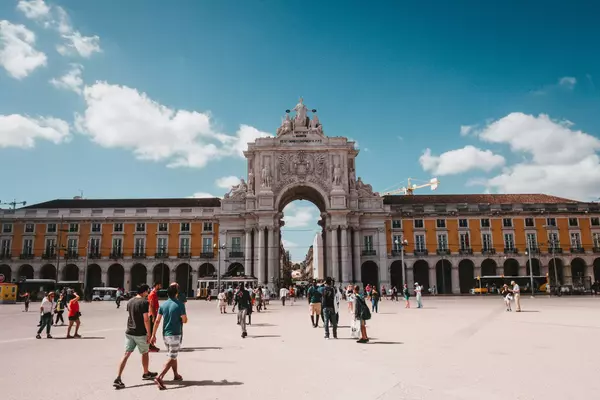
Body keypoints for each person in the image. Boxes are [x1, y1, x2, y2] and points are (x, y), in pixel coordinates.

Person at [113, 284, 158, 389]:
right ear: (144, 292)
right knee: (145, 352)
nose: (148, 293)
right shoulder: (144, 302)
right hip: (140, 333)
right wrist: (149, 334)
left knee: (126, 354)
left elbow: (131, 315)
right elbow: (146, 319)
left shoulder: (130, 301)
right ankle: (146, 373)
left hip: (129, 332)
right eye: (147, 291)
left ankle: (118, 377)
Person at [151, 283, 188, 390]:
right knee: (172, 356)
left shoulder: (163, 305)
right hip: (175, 334)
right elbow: (185, 320)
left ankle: (176, 374)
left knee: (172, 355)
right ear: (176, 293)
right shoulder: (180, 304)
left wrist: (153, 335)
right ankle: (159, 377)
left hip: (165, 335)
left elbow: (157, 321)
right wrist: (182, 319)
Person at [147, 282, 161, 352]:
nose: (160, 286)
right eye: (159, 285)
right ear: (156, 286)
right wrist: (153, 316)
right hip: (152, 314)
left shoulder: (154, 293)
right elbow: (151, 305)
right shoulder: (152, 294)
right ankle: (150, 346)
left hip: (153, 313)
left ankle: (151, 345)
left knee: (152, 331)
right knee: (152, 331)